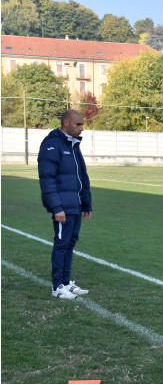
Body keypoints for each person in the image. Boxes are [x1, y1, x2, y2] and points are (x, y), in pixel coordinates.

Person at [38, 109, 92, 300]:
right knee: (61, 245)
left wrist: (86, 204)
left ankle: (67, 282)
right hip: (63, 207)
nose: (82, 128)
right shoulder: (52, 145)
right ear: (66, 123)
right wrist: (57, 207)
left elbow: (81, 177)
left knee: (70, 244)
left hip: (75, 205)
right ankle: (58, 286)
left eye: (82, 124)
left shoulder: (73, 145)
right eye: (78, 124)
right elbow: (47, 179)